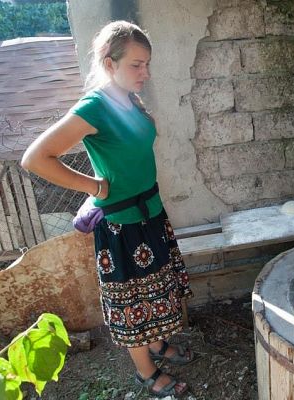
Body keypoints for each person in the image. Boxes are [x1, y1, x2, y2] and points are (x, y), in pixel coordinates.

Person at [21, 21, 193, 398]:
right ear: (109, 62)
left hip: (149, 212)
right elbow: (35, 158)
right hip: (121, 225)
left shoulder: (128, 98)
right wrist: (93, 185)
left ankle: (158, 344)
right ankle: (146, 372)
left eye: (147, 64)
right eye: (136, 64)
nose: (145, 73)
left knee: (158, 291)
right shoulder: (96, 106)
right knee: (134, 302)